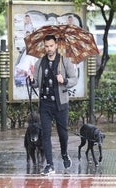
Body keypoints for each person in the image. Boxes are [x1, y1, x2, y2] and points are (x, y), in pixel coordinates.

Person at [30, 35, 78, 175]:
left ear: (56, 45)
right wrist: (32, 80)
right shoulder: (40, 63)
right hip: (45, 104)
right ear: (44, 46)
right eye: (46, 46)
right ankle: (50, 165)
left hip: (61, 104)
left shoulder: (64, 62)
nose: (49, 49)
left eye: (51, 46)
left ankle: (64, 153)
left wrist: (64, 81)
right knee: (46, 134)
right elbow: (37, 83)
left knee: (63, 134)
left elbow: (74, 79)